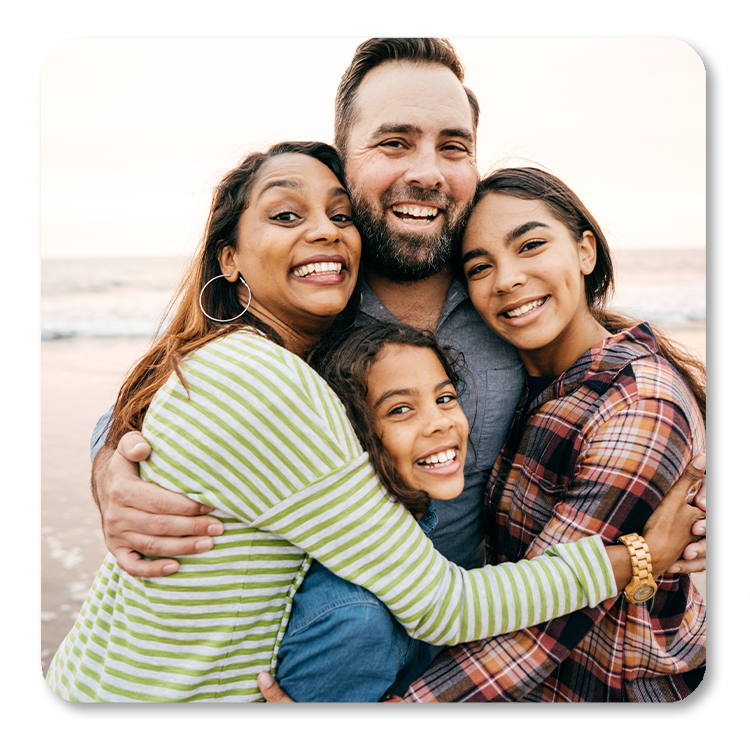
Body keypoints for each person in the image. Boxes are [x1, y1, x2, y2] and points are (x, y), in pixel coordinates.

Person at [85, 38, 708, 699]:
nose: (428, 171)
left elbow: (606, 383)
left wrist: (687, 489)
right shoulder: (314, 298)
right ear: (343, 160)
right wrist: (109, 469)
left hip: (480, 641)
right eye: (394, 143)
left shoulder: (505, 297)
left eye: (453, 146)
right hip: (332, 651)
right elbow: (179, 391)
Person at [383, 167, 707, 703]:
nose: (507, 278)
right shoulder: (506, 382)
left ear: (584, 251)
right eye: (480, 267)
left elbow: (547, 620)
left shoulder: (638, 403)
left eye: (530, 245)